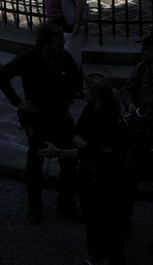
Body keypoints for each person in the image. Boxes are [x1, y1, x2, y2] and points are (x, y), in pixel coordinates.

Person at [0, 20, 82, 223]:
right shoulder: (28, 59)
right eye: (58, 44)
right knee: (35, 163)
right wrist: (18, 102)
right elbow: (2, 76)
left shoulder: (64, 57)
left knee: (69, 161)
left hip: (61, 115)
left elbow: (77, 78)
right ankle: (34, 207)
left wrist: (70, 93)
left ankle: (66, 204)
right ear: (45, 44)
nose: (62, 47)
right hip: (38, 119)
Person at [44, 72, 129, 265]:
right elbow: (78, 136)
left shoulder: (107, 119)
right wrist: (87, 145)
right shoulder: (91, 108)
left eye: (86, 88)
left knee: (108, 225)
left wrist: (62, 151)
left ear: (96, 93)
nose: (82, 91)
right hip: (89, 177)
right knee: (92, 220)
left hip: (105, 180)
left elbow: (90, 151)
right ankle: (95, 254)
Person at [122, 31, 153, 250]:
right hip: (141, 132)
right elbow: (127, 89)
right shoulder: (141, 68)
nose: (142, 51)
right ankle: (124, 222)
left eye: (147, 48)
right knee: (128, 178)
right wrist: (130, 104)